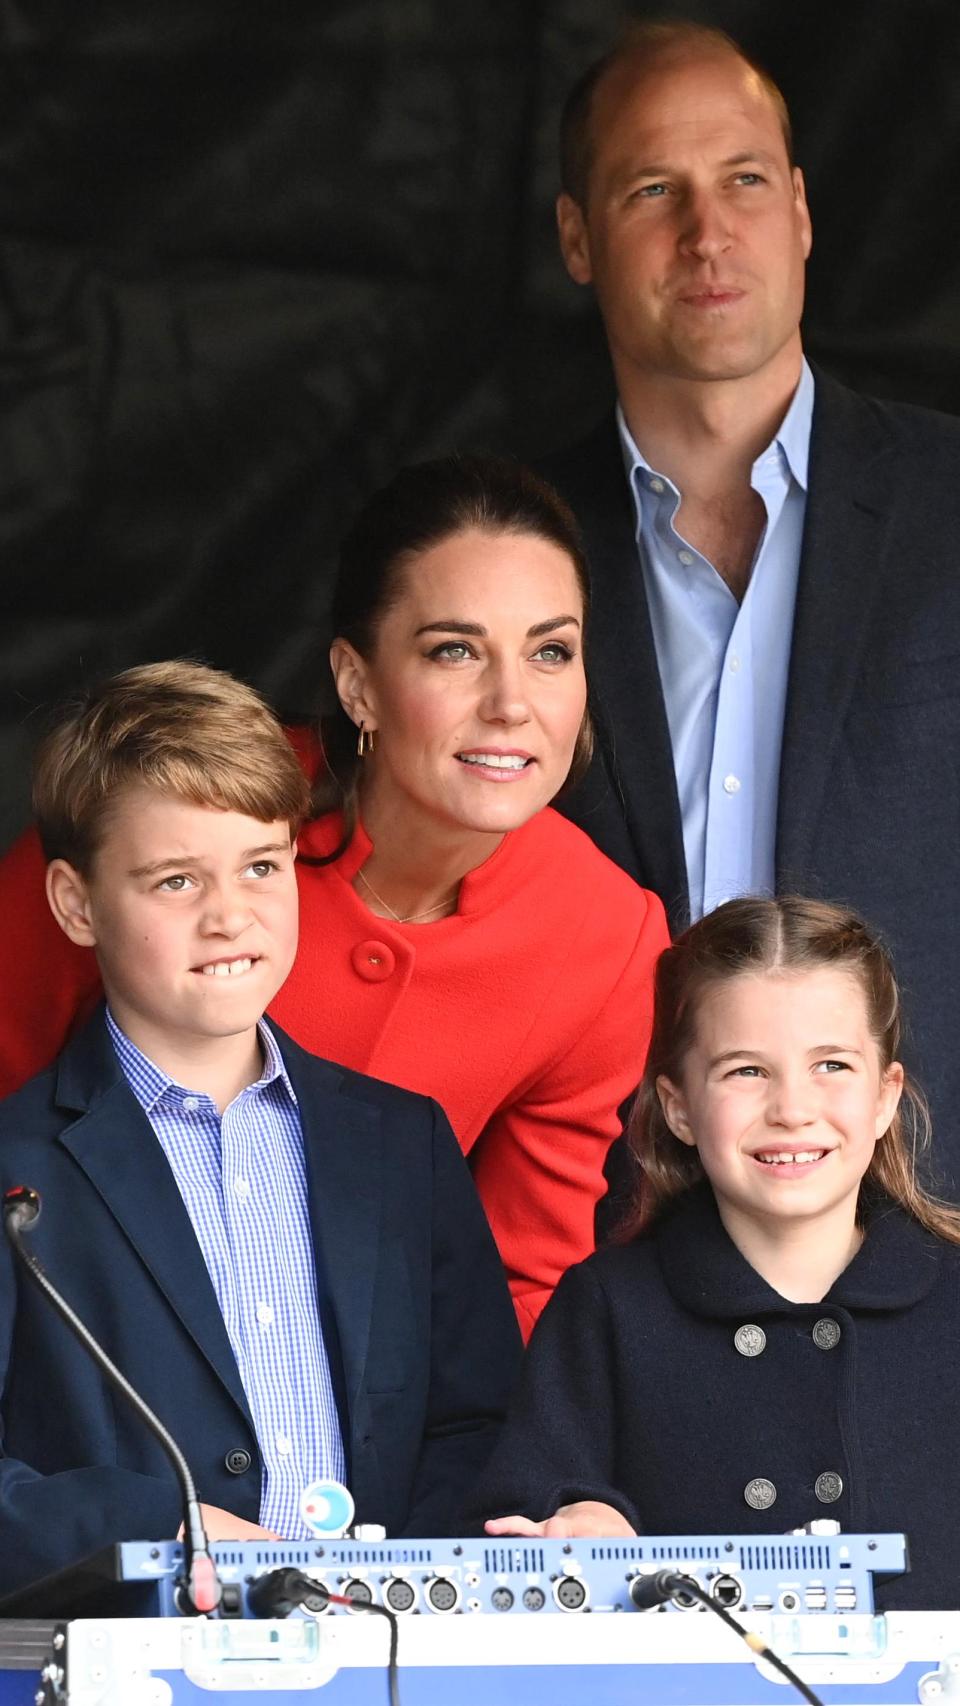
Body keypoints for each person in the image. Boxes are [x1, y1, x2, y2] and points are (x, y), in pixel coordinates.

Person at [0, 456, 670, 1338]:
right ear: (359, 683)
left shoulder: (609, 937)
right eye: (455, 651)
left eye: (552, 651)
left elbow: (517, 1284)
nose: (513, 703)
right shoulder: (170, 818)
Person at [541, 20, 960, 1188]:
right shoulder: (509, 547)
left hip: (927, 1227)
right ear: (577, 235)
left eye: (745, 180)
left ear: (804, 211)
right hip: (607, 1228)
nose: (707, 232)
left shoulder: (951, 506)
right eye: (651, 189)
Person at [0, 659, 521, 1599]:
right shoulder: (17, 1170)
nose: (230, 915)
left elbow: (477, 1423)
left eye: (261, 866)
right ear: (77, 905)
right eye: (173, 882)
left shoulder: (402, 1146)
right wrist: (157, 1528)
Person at [476, 896, 960, 1611]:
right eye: (745, 1072)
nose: (792, 1109)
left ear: (886, 1096)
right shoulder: (608, 1306)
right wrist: (581, 1520)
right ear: (677, 1107)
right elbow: (520, 1515)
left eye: (831, 1064)